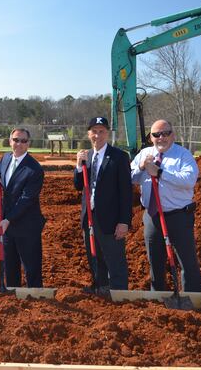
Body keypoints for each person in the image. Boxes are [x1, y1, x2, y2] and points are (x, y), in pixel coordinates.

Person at [130, 119, 201, 292]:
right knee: (155, 261)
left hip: (178, 216)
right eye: (157, 134)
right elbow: (129, 178)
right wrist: (141, 167)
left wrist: (160, 173)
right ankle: (158, 298)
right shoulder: (144, 154)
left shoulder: (183, 155)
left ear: (173, 135)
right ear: (151, 137)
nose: (161, 138)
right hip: (152, 216)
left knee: (186, 261)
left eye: (166, 133)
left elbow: (188, 180)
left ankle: (192, 298)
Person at [73, 117, 132, 292]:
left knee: (115, 259)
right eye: (94, 131)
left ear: (107, 133)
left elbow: (126, 192)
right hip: (89, 217)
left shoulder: (119, 157)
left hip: (111, 219)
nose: (97, 135)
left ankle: (119, 293)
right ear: (88, 133)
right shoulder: (87, 156)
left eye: (101, 131)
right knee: (94, 256)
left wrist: (124, 221)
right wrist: (78, 165)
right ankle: (100, 287)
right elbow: (79, 186)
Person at [0, 128, 46, 287]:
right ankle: (12, 296)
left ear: (28, 144)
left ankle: (36, 298)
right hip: (8, 225)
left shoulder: (34, 169)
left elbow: (26, 199)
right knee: (10, 266)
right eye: (16, 140)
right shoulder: (6, 158)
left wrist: (8, 219)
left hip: (27, 225)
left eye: (23, 141)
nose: (19, 144)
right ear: (10, 141)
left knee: (31, 268)